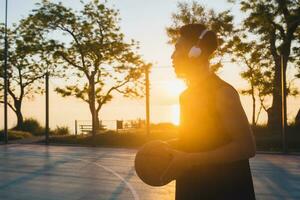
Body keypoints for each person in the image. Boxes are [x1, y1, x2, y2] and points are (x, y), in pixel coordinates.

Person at [161, 24, 256, 199]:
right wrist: (165, 147)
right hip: (192, 186)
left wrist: (189, 159)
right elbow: (196, 141)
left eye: (178, 49)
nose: (172, 56)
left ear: (194, 53)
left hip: (224, 189)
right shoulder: (186, 96)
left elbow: (246, 147)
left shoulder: (223, 93)